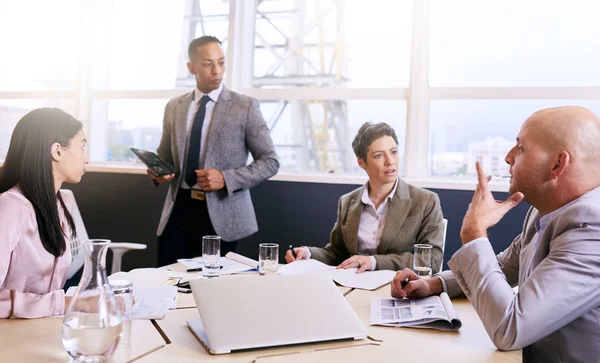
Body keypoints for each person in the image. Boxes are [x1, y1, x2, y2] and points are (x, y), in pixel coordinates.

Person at [391, 106, 600, 363]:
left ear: (557, 164)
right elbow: (505, 266)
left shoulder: (591, 227)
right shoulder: (545, 212)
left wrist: (474, 233)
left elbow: (510, 329)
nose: (508, 157)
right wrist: (434, 283)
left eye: (521, 148)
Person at [150, 36, 279, 266]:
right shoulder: (174, 107)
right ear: (191, 67)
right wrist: (158, 171)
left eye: (221, 62)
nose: (217, 70)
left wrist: (225, 178)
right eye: (208, 64)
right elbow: (165, 156)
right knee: (168, 281)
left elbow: (270, 161)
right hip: (178, 209)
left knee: (213, 289)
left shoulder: (245, 106)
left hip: (222, 214)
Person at [285, 122, 445, 273]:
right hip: (353, 287)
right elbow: (337, 254)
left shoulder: (425, 201)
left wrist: (374, 261)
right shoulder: (347, 202)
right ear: (362, 162)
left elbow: (431, 261)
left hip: (400, 290)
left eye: (394, 152)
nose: (390, 161)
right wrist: (308, 254)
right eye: (379, 156)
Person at [0, 108, 88, 318]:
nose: (87, 159)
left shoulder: (61, 202)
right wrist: (71, 304)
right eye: (82, 147)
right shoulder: (11, 207)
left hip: (45, 327)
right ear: (57, 151)